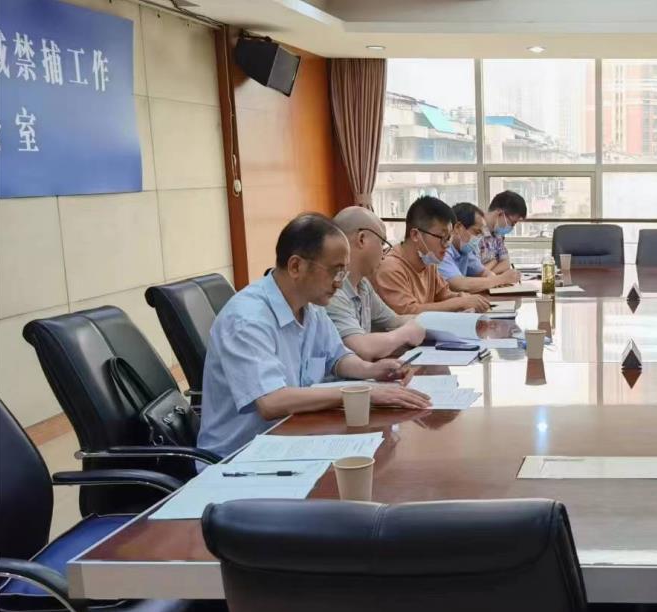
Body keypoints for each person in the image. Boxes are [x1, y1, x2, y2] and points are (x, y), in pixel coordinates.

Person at [198, 213, 431, 458]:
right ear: (296, 266)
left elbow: (337, 358)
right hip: (239, 457)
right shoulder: (247, 318)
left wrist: (370, 370)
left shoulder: (311, 307)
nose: (339, 283)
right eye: (335, 272)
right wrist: (362, 392)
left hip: (294, 438)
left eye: (344, 273)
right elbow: (271, 402)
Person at [326, 206, 428, 360]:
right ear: (361, 239)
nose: (384, 254)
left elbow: (393, 321)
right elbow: (362, 348)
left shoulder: (363, 285)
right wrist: (405, 334)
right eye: (382, 243)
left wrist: (439, 322)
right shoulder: (331, 290)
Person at [373, 196, 491, 315]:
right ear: (415, 235)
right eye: (442, 238)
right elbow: (408, 312)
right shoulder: (390, 268)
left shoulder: (429, 261)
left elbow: (443, 295)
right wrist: (459, 303)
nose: (447, 245)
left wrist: (460, 297)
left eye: (449, 238)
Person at [438, 202, 523, 293]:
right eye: (477, 232)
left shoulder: (464, 251)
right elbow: (459, 284)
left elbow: (482, 272)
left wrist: (493, 277)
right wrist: (501, 279)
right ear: (458, 227)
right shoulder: (443, 250)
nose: (478, 238)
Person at [479, 190, 528, 274]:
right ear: (500, 213)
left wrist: (488, 274)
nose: (511, 227)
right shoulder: (474, 231)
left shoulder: (497, 234)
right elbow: (473, 274)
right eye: (512, 223)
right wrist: (494, 261)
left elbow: (506, 264)